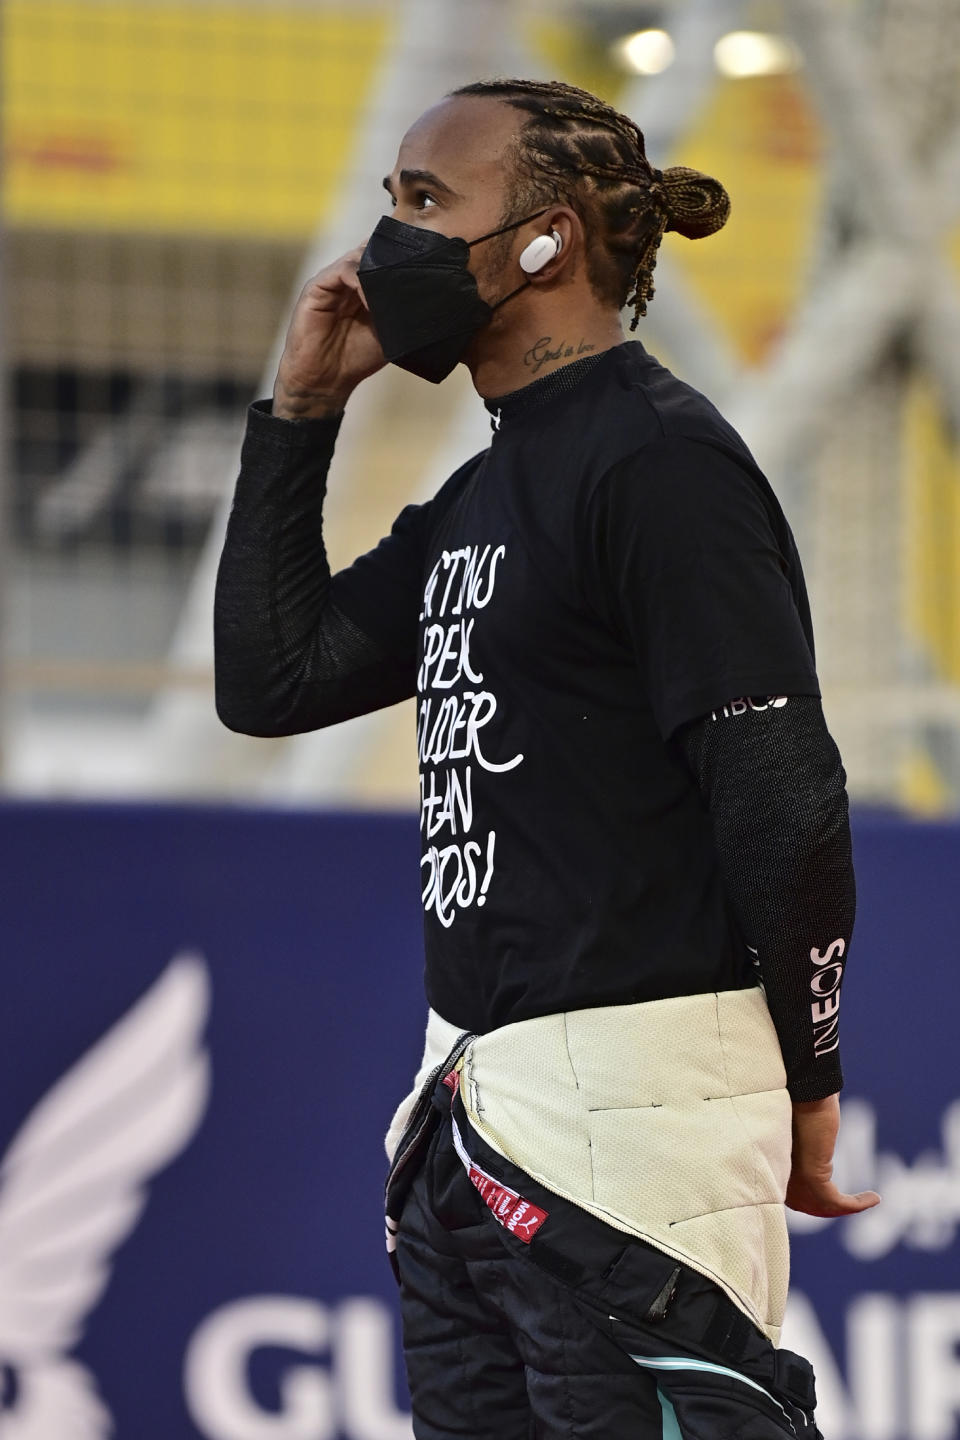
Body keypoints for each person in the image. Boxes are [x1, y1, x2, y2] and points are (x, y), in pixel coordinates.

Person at [214, 78, 880, 1440]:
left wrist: (811, 1084)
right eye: (388, 198)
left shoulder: (659, 462)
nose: (385, 239)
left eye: (422, 201)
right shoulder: (486, 489)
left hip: (627, 1143)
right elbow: (271, 681)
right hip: (478, 1119)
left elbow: (783, 795)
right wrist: (298, 417)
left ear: (547, 243)